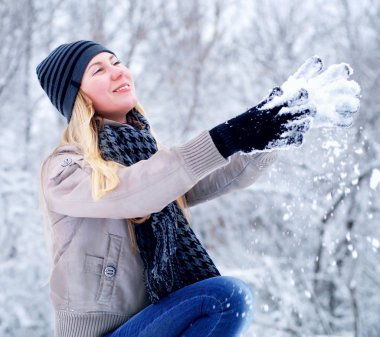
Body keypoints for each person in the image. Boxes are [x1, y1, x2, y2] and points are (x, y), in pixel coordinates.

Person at [37, 40, 358, 337]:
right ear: (77, 95)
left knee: (226, 297)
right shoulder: (65, 169)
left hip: (153, 321)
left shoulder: (148, 156)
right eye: (98, 70)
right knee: (223, 297)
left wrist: (274, 125)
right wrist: (235, 132)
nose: (117, 71)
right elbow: (134, 192)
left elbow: (222, 174)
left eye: (116, 61)